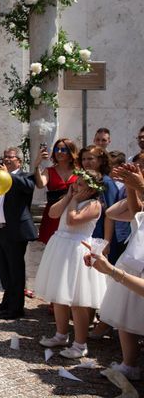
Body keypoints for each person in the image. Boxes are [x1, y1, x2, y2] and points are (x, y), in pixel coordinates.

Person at [34, 169, 107, 359]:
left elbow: (73, 220)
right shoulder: (71, 197)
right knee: (59, 295)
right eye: (76, 182)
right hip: (61, 246)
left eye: (81, 184)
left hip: (78, 249)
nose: (76, 186)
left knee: (77, 300)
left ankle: (80, 344)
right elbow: (53, 213)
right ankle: (61, 335)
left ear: (91, 190)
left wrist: (74, 200)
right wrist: (68, 196)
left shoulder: (94, 204)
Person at [83, 159, 144, 380]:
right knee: (125, 313)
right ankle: (129, 365)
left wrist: (139, 186)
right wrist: (131, 186)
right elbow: (131, 212)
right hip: (135, 260)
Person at [0, 147, 37, 320]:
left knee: (15, 269)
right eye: (4, 157)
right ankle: (7, 300)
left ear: (19, 161)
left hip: (15, 230)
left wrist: (9, 175)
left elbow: (29, 188)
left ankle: (16, 308)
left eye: (10, 157)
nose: (6, 160)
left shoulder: (24, 176)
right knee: (4, 268)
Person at [33, 138, 79, 244]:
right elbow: (40, 184)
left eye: (63, 150)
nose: (59, 152)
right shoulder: (49, 171)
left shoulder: (79, 171)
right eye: (56, 149)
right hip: (53, 212)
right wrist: (36, 165)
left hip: (72, 211)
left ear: (71, 152)